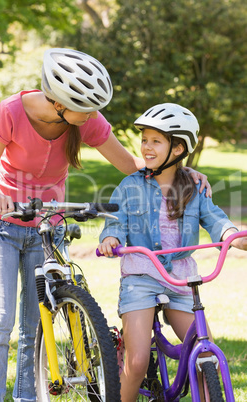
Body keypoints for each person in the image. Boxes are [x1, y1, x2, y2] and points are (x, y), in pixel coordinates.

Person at [0, 47, 209, 402]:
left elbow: (131, 165)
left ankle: (26, 397)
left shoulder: (85, 121)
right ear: (59, 102)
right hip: (0, 225)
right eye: (84, 109)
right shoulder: (11, 112)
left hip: (47, 228)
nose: (90, 117)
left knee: (34, 326)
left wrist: (181, 169)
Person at [98, 103, 247, 402]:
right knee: (138, 360)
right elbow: (115, 221)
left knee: (206, 355)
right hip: (141, 277)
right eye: (144, 140)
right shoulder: (130, 186)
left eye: (156, 141)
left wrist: (233, 236)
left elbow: (216, 219)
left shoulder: (194, 187)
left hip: (180, 280)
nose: (146, 147)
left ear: (178, 148)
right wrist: (111, 238)